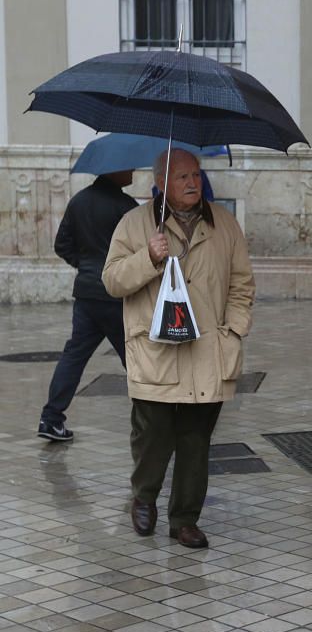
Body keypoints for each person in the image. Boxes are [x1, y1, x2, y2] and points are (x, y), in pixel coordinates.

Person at [103, 149, 254, 548]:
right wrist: (147, 257)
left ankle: (185, 518)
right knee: (152, 432)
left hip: (208, 350)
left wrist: (233, 330)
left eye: (196, 174)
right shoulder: (135, 224)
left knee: (195, 438)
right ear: (162, 183)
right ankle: (145, 496)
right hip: (155, 351)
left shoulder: (224, 224)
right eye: (182, 177)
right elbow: (112, 281)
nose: (193, 183)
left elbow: (242, 284)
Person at [37, 170, 138, 442]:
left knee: (74, 356)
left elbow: (62, 245)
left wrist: (85, 267)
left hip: (86, 295)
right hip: (115, 297)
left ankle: (51, 418)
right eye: (128, 168)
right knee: (137, 358)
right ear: (114, 172)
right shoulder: (126, 208)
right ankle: (155, 419)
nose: (133, 172)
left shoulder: (78, 201)